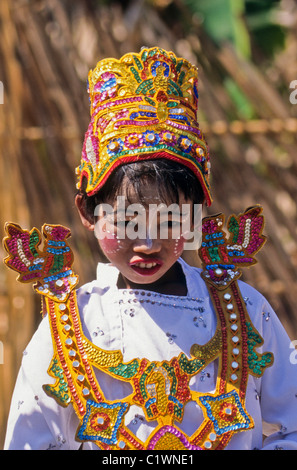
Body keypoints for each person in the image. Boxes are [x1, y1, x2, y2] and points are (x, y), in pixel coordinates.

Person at [3, 47, 297, 451]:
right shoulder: (70, 326)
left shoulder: (246, 312)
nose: (148, 242)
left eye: (172, 220)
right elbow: (27, 441)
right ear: (87, 211)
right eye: (126, 220)